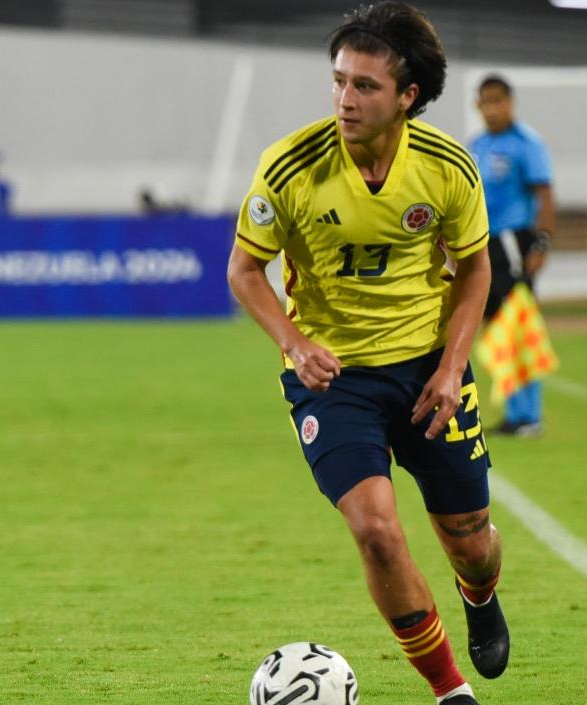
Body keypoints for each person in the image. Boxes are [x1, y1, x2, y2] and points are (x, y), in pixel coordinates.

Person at [225, 4, 506, 704]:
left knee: (470, 538)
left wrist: (450, 367)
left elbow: (475, 271)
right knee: (377, 531)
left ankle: (478, 595)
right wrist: (294, 343)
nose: (345, 100)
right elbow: (242, 270)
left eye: (365, 87)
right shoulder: (290, 167)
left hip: (426, 370)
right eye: (338, 81)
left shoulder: (445, 168)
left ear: (407, 96)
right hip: (334, 380)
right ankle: (450, 690)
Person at [469, 75, 556, 437]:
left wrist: (542, 243)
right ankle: (514, 411)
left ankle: (528, 415)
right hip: (484, 242)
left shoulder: (527, 144)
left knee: (518, 326)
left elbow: (545, 194)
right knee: (495, 328)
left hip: (513, 242)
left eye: (497, 101)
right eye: (485, 102)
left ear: (510, 102)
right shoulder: (477, 145)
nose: (492, 109)